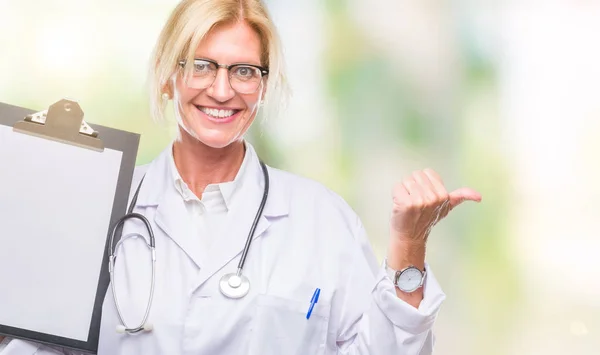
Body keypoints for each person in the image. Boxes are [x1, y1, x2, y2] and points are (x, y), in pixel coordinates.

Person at [0, 0, 481, 354]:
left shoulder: (321, 219)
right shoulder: (99, 202)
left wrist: (408, 247)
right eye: (203, 66)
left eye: (245, 70)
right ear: (169, 74)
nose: (223, 89)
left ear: (264, 85)